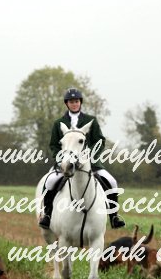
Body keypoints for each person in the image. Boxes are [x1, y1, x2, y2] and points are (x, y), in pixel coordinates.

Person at [38, 88, 125, 230]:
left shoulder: (91, 121)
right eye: (71, 102)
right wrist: (60, 159)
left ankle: (114, 216)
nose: (74, 104)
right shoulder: (58, 123)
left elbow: (99, 141)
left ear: (80, 102)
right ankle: (47, 215)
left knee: (112, 182)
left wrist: (89, 155)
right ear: (67, 104)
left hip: (91, 164)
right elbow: (53, 145)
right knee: (50, 181)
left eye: (77, 101)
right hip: (66, 163)